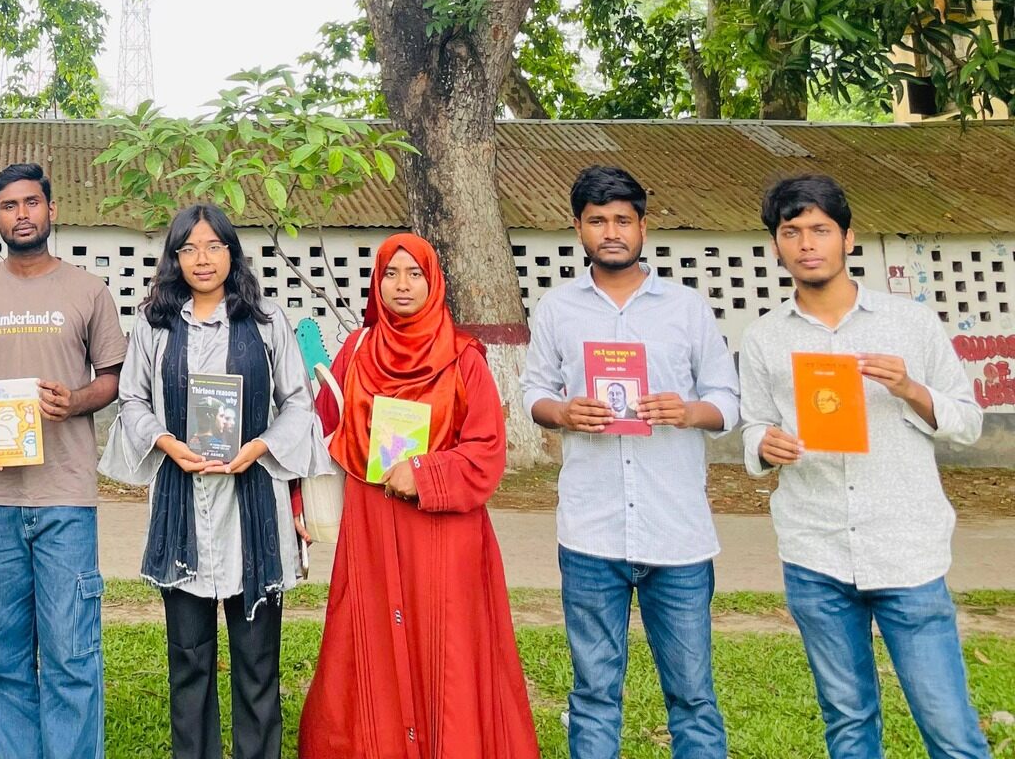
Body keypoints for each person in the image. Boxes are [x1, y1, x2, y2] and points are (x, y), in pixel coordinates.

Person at [740, 173, 989, 759]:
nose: (807, 243)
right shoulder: (764, 338)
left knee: (949, 727)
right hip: (815, 551)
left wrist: (909, 387)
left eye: (820, 230)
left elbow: (969, 421)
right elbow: (752, 424)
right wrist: (763, 445)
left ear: (848, 238)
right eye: (791, 231)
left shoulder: (910, 323)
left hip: (907, 551)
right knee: (848, 721)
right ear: (776, 245)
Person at [525, 164, 740, 759]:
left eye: (623, 219)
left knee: (694, 695)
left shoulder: (687, 308)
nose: (611, 231)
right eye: (597, 221)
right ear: (579, 228)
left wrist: (688, 410)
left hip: (679, 537)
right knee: (594, 692)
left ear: (643, 226)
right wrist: (564, 413)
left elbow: (727, 400)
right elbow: (532, 394)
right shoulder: (557, 309)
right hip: (592, 534)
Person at [299, 232, 538, 759]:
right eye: (390, 274)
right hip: (371, 531)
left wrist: (425, 473)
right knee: (371, 650)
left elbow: (486, 454)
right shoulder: (356, 353)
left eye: (414, 274)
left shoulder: (463, 360)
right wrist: (301, 506)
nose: (401, 285)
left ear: (434, 284)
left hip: (443, 539)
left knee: (445, 654)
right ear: (376, 283)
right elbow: (320, 432)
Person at [102, 202, 324, 759]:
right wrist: (166, 442)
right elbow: (131, 398)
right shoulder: (154, 324)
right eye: (189, 248)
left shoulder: (267, 320)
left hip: (254, 508)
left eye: (213, 246)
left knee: (257, 665)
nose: (202, 259)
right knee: (189, 661)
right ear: (175, 259)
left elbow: (298, 403)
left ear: (232, 252)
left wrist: (261, 446)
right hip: (183, 509)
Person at [0, 162, 126, 759]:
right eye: (8, 205)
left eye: (31, 203)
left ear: (52, 210)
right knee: (2, 655)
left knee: (72, 652)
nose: (21, 214)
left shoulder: (87, 290)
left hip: (66, 498)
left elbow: (113, 379)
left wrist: (74, 401)